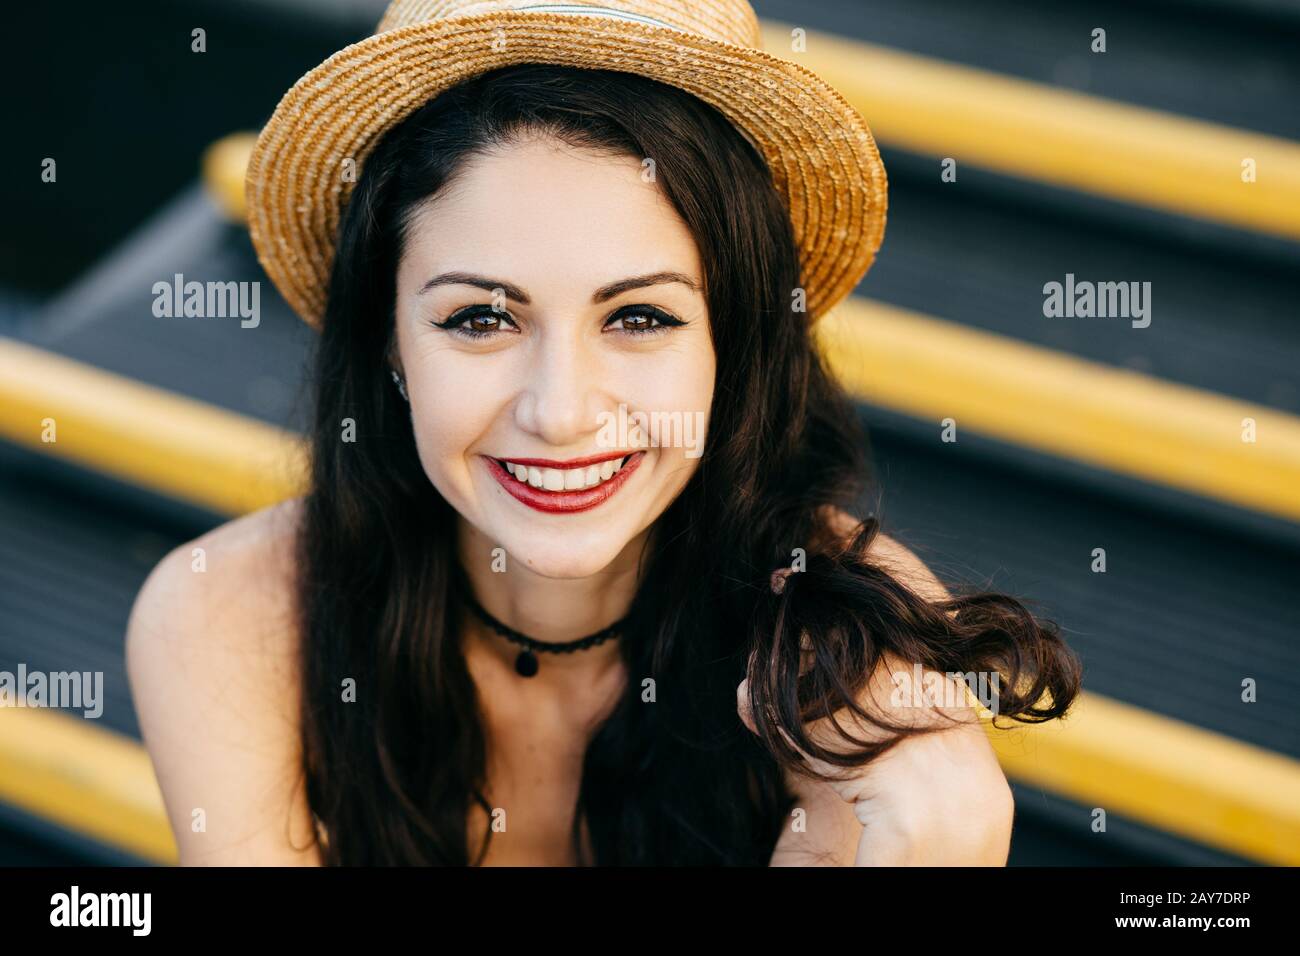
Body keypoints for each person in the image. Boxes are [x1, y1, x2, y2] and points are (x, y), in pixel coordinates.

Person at [126, 0, 1081, 866]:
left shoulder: (841, 638)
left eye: (638, 318)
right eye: (479, 319)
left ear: (733, 343)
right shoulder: (231, 618)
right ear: (389, 347)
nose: (561, 411)